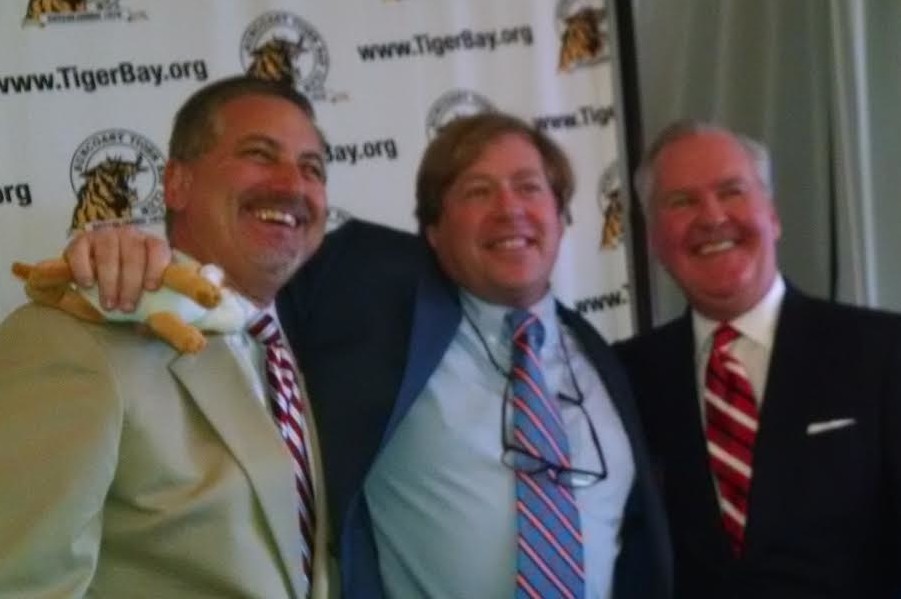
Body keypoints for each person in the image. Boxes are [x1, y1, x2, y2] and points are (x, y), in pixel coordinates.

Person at [65, 112, 673, 598]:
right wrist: (142, 262)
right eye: (478, 191)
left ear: (561, 216)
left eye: (529, 188)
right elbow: (243, 279)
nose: (509, 208)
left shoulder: (604, 358)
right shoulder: (368, 296)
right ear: (433, 231)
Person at [0, 76, 332, 598]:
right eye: (259, 154)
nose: (292, 184)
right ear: (176, 183)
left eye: (312, 168)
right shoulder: (73, 335)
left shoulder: (321, 333)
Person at [615, 120, 901, 598]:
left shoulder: (884, 351)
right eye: (682, 201)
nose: (711, 217)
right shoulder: (626, 376)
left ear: (773, 215)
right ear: (654, 242)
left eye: (731, 191)